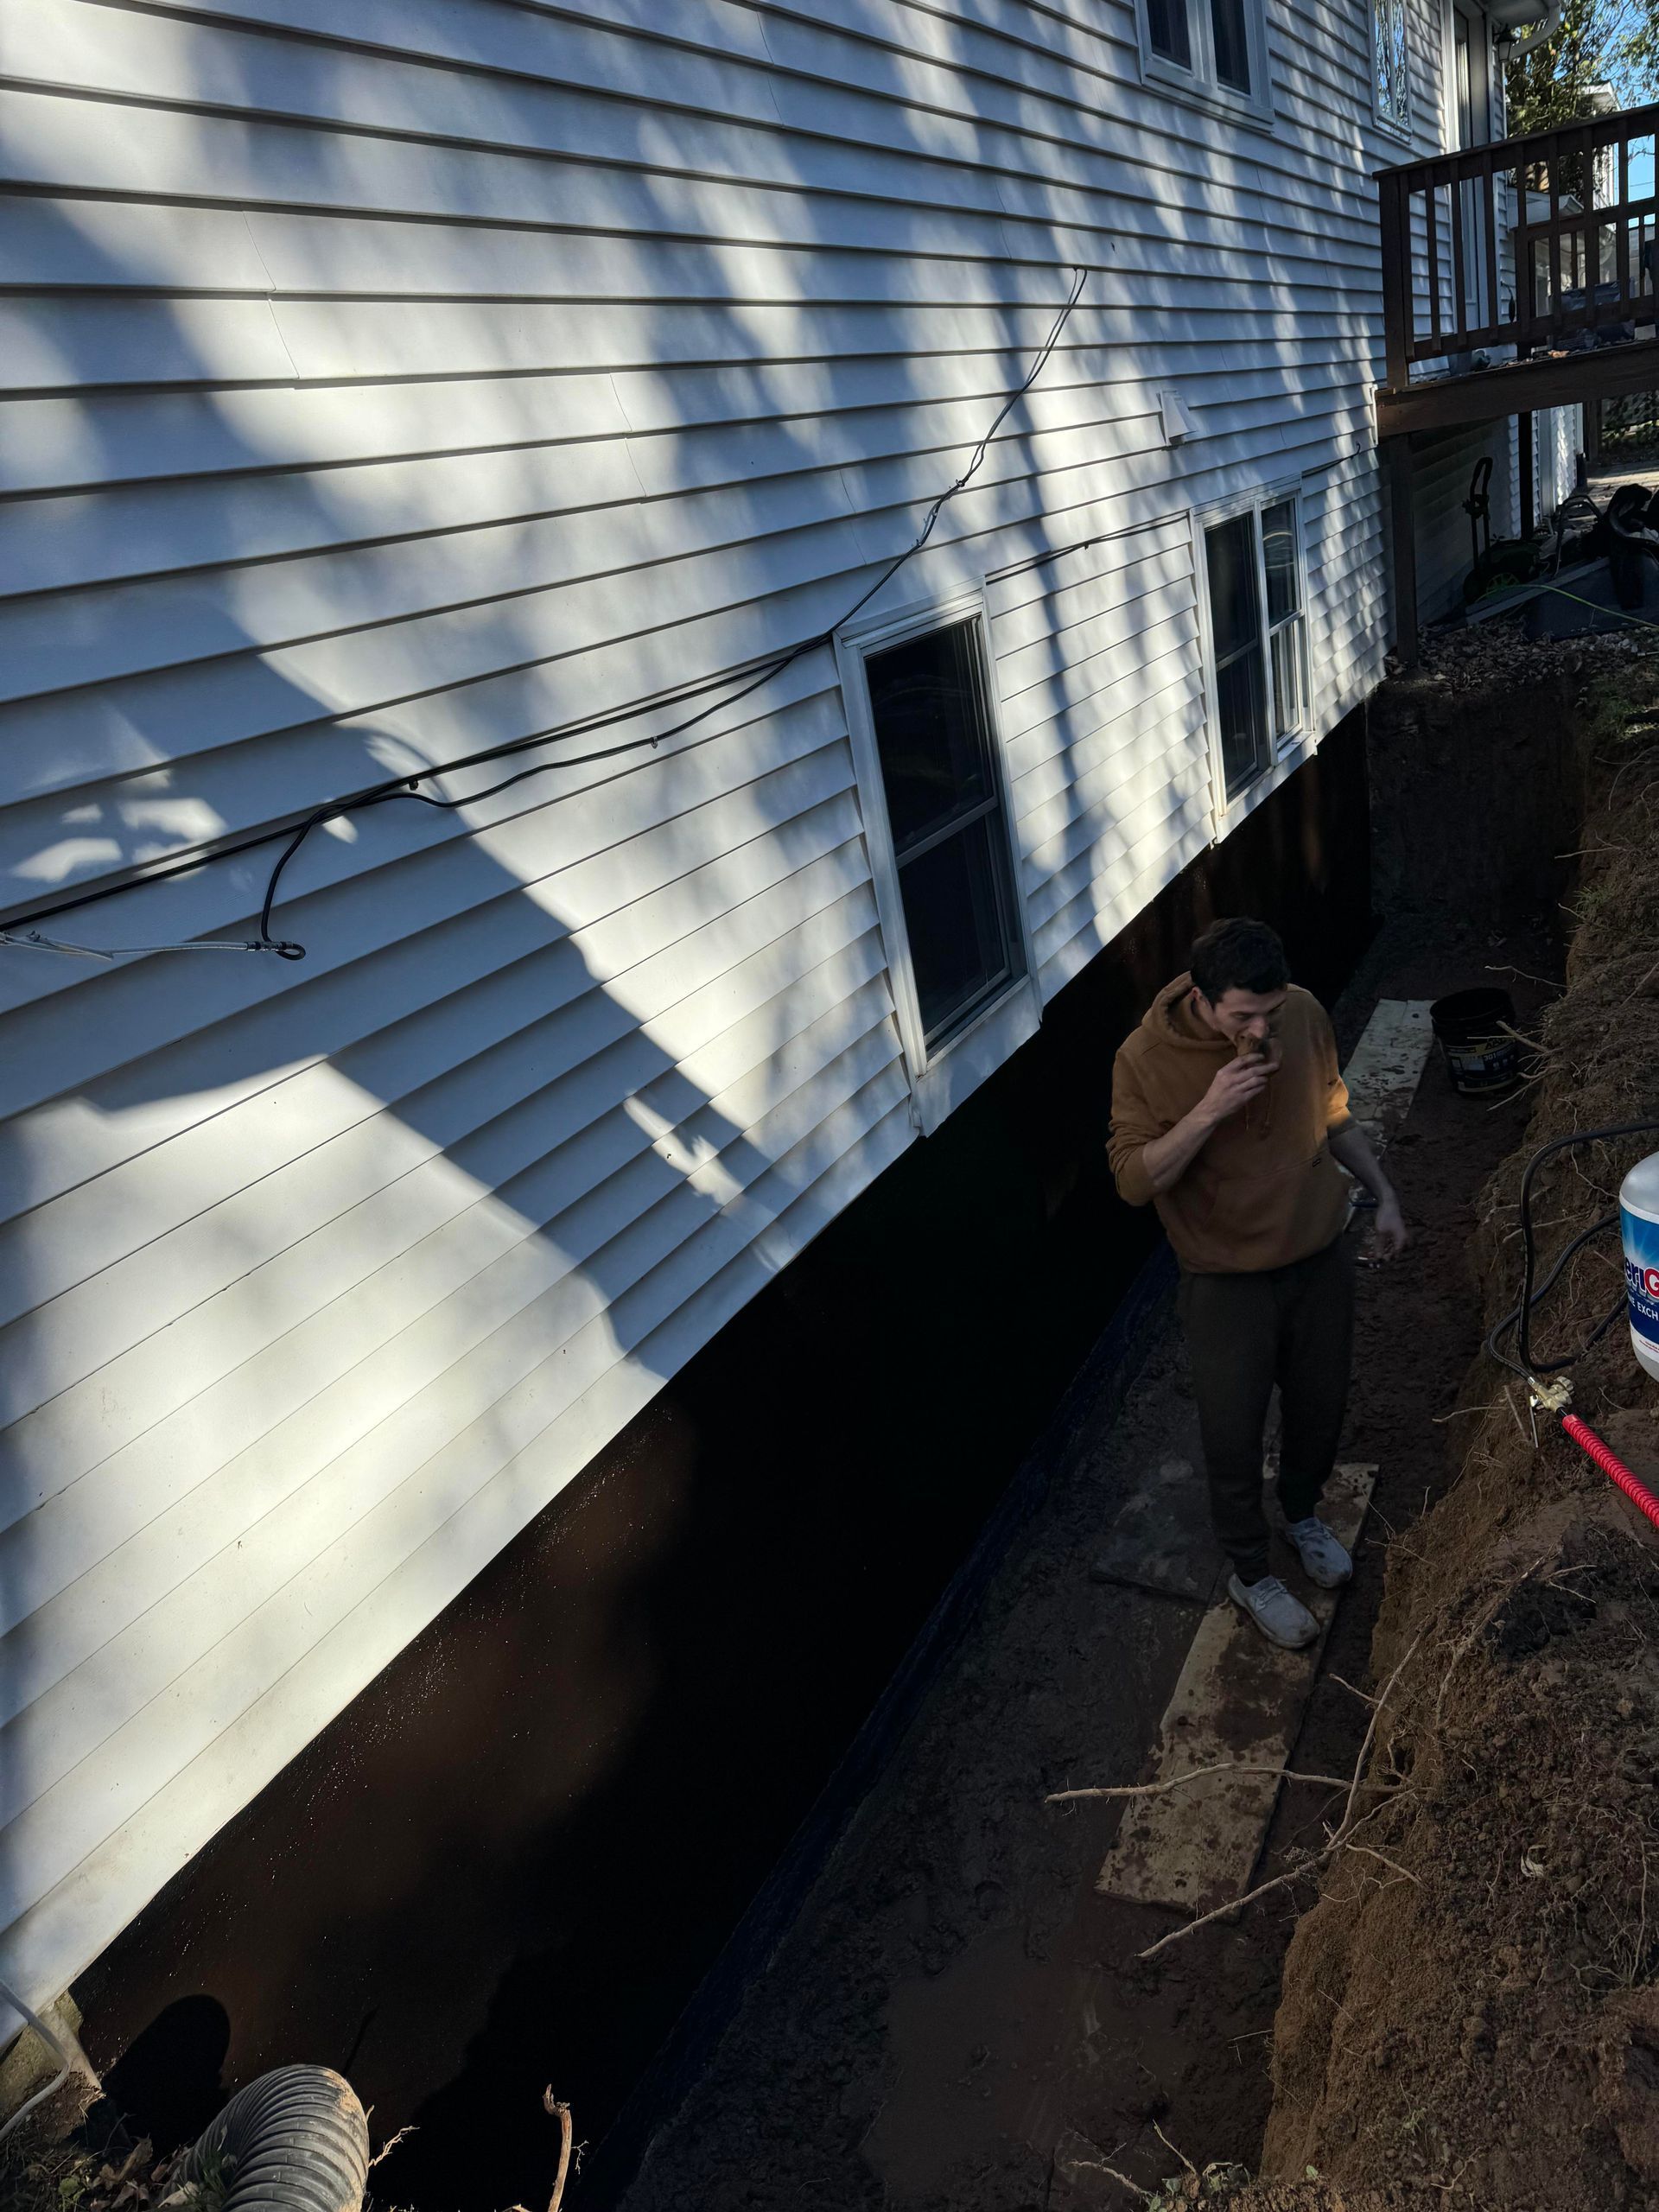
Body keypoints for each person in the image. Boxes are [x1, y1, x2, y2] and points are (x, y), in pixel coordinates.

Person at [1108, 918, 1408, 1649]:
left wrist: (1385, 1194)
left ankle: (1302, 1513)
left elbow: (1334, 1113)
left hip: (1319, 1255)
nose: (1261, 1029)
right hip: (1226, 1279)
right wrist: (1211, 1107)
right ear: (1204, 1000)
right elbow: (1132, 1182)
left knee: (1320, 1405)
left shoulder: (1300, 1012)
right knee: (1233, 1430)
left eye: (1269, 1013)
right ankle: (1250, 1569)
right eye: (1243, 1016)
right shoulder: (1145, 1058)